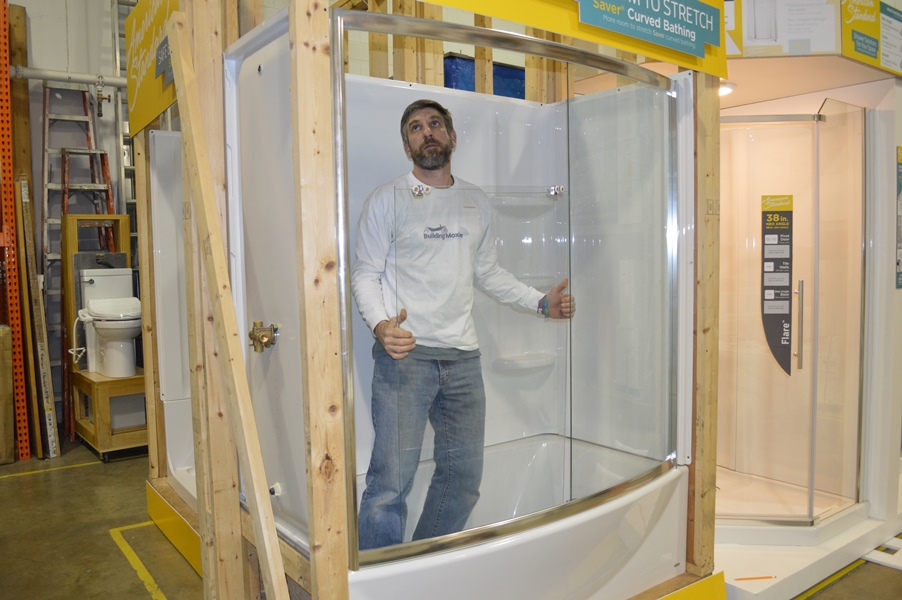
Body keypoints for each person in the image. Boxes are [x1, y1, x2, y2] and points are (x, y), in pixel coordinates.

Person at [351, 99, 575, 550]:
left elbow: (487, 272)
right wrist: (380, 326)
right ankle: (379, 582)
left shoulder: (475, 200)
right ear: (406, 144)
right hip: (406, 359)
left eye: (435, 124)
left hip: (462, 361)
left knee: (463, 479)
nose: (426, 132)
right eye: (415, 127)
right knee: (390, 485)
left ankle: (423, 568)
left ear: (452, 136)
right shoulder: (386, 199)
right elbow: (365, 274)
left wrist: (539, 303)